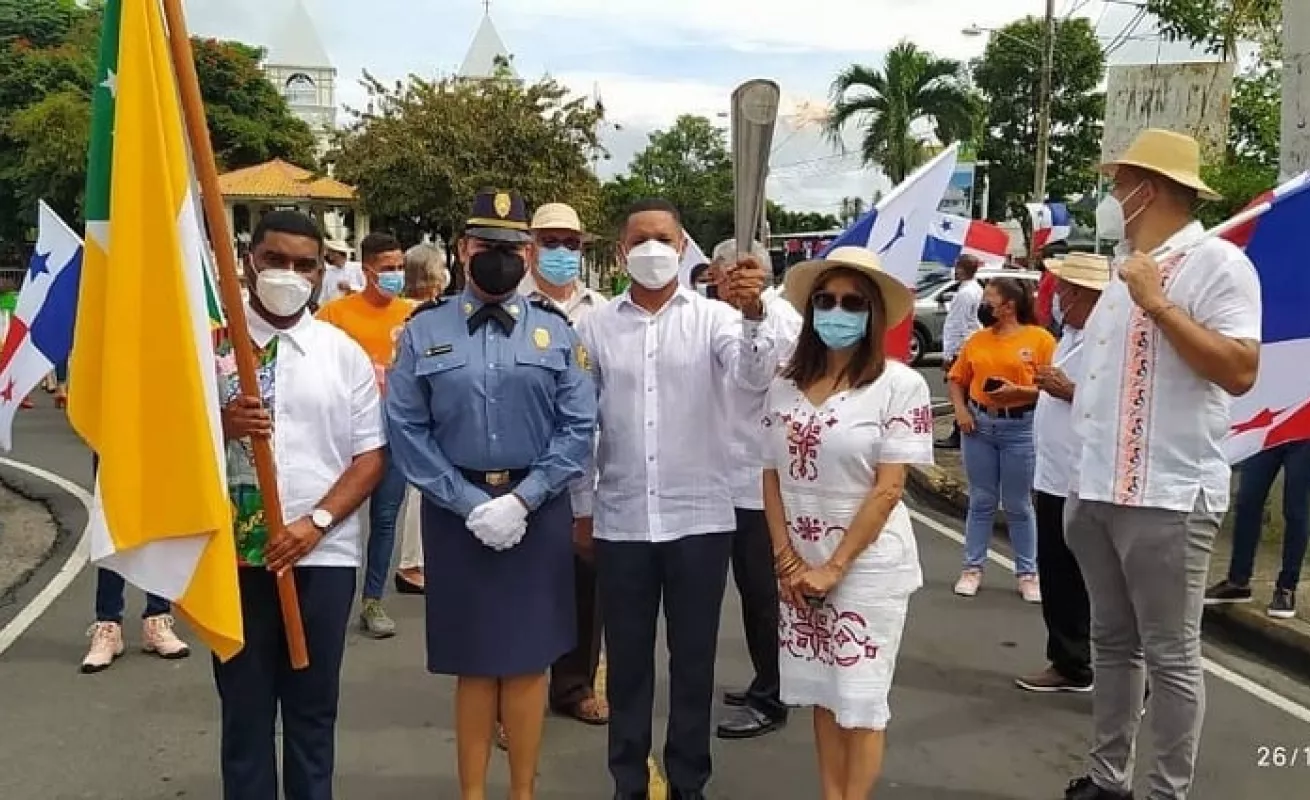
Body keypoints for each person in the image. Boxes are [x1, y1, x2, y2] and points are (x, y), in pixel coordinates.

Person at [1061, 129, 1261, 800]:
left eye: (1119, 186)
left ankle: (1165, 792)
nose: (1112, 197)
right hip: (1098, 490)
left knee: (1171, 658)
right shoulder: (1124, 270)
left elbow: (1239, 370)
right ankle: (1107, 777)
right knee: (1112, 644)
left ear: (1151, 188)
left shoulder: (1217, 264)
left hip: (1167, 495)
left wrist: (1159, 302)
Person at [385, 189, 597, 800]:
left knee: (528, 663)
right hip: (458, 515)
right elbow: (407, 427)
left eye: (510, 248)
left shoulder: (556, 332)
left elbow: (578, 425)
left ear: (527, 254)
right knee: (475, 663)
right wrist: (466, 501)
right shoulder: (424, 330)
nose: (499, 258)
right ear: (462, 250)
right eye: (487, 247)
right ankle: (473, 792)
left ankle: (522, 791)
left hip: (537, 510)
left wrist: (524, 500)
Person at [573, 198, 783, 800]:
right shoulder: (595, 326)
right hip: (623, 521)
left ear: (682, 244)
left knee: (693, 665)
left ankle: (689, 783)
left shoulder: (716, 319)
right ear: (620, 251)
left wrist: (752, 313)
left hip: (699, 519)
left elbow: (752, 377)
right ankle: (627, 783)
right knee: (631, 667)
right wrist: (581, 508)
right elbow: (580, 424)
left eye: (664, 239)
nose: (653, 250)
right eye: (640, 239)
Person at [214, 209, 386, 800]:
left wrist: (313, 525)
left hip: (320, 559)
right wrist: (222, 424)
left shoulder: (343, 355)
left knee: (313, 716)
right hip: (235, 561)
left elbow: (369, 459)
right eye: (274, 260)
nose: (288, 273)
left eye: (303, 265)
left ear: (319, 273)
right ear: (248, 261)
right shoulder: (213, 353)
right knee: (245, 717)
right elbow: (171, 447)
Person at [762, 245, 931, 800]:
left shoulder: (900, 386)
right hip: (800, 566)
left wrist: (835, 566)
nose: (837, 311)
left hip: (866, 567)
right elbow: (770, 475)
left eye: (852, 302)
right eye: (825, 300)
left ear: (873, 314)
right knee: (823, 692)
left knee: (859, 701)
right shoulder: (785, 383)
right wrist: (787, 559)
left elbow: (889, 488)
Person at [514, 201, 611, 727]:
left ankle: (573, 686)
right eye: (550, 243)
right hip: (520, 469)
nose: (561, 253)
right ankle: (514, 693)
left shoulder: (601, 311)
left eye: (570, 244)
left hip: (585, 469)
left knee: (584, 584)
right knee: (521, 585)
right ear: (529, 248)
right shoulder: (507, 305)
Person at [710, 238, 804, 742]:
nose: (722, 287)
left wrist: (756, 311)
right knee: (752, 593)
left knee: (765, 594)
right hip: (729, 477)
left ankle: (773, 696)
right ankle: (766, 680)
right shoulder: (723, 316)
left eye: (728, 277)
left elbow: (755, 376)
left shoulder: (782, 319)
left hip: (760, 482)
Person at [1015, 253, 1109, 695]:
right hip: (1052, 476)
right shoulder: (1070, 336)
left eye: (1062, 291)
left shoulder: (1109, 340)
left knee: (1097, 581)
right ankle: (1070, 662)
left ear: (1083, 295)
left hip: (1086, 478)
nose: (1054, 298)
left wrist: (1067, 390)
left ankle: (1120, 678)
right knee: (1058, 575)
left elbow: (1114, 404)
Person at [317, 232, 412, 638]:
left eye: (400, 267)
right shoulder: (334, 316)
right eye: (388, 268)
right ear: (367, 269)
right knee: (335, 515)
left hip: (392, 435)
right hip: (342, 437)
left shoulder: (413, 315)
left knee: (385, 518)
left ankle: (373, 600)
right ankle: (326, 599)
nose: (395, 275)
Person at [947, 277, 1054, 602]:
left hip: (1020, 428)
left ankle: (1027, 573)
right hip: (979, 427)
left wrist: (1019, 392)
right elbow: (956, 378)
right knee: (981, 500)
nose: (984, 305)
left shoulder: (1040, 340)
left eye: (990, 299)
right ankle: (972, 568)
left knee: (1018, 504)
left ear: (1009, 305)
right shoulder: (977, 340)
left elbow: (1054, 387)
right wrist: (961, 411)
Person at [81, 451, 190, 673]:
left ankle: (157, 617)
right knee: (113, 523)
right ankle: (108, 624)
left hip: (158, 434)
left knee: (158, 521)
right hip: (114, 434)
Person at [394, 243, 452, 595]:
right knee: (421, 491)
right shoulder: (420, 316)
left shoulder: (434, 311)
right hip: (420, 412)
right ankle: (412, 563)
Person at [1205, 441, 1309, 619]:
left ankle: (1286, 588)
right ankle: (1238, 582)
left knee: (1295, 510)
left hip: (1303, 432)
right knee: (1247, 500)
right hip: (1270, 430)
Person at [936, 254, 983, 449]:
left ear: (963, 269)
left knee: (959, 392)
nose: (955, 270)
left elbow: (958, 326)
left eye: (957, 267)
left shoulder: (966, 294)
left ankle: (959, 431)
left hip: (961, 348)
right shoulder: (974, 289)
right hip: (968, 346)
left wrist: (949, 354)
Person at [319, 240, 364, 306]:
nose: (328, 253)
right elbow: (324, 296)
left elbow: (367, 290)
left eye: (330, 251)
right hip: (335, 311)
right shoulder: (328, 272)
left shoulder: (357, 267)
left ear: (337, 253)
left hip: (355, 309)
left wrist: (350, 287)